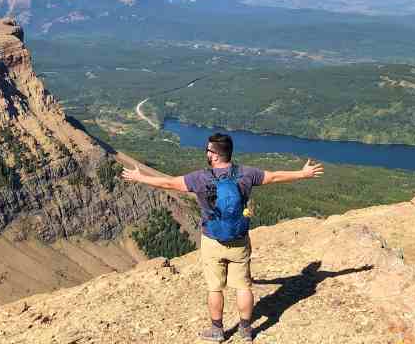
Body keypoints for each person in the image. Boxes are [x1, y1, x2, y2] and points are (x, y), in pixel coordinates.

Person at [121, 132, 324, 342]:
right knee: (244, 286)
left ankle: (218, 331)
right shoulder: (246, 173)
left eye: (208, 150)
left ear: (215, 155)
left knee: (215, 288)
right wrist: (303, 174)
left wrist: (139, 177)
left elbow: (170, 183)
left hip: (212, 240)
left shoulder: (200, 178)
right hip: (239, 239)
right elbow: (274, 176)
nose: (206, 153)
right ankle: (246, 331)